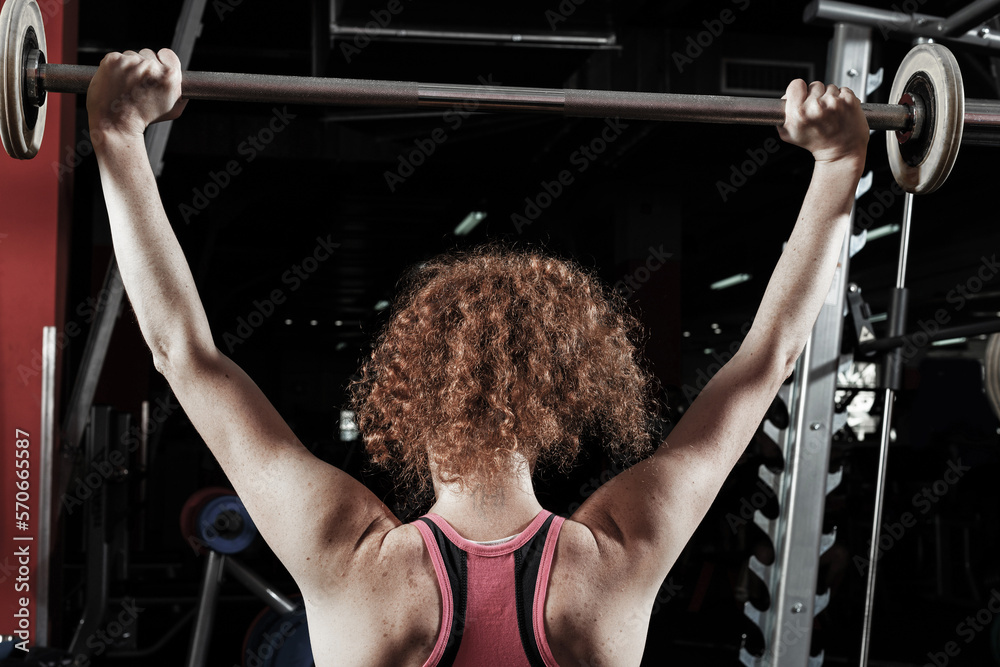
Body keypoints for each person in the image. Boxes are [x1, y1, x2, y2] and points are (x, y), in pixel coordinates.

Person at [86, 47, 869, 667]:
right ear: (561, 402)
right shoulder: (615, 558)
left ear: (406, 391)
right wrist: (838, 164)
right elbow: (766, 358)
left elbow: (181, 352)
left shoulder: (349, 555)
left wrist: (117, 136)